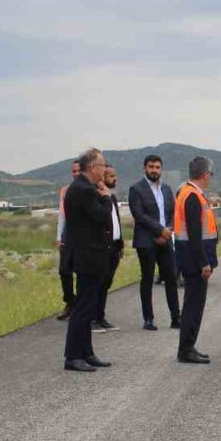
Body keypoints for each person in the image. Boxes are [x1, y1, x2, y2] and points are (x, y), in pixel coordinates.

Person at [63, 149, 114, 372]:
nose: (105, 170)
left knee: (89, 306)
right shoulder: (83, 190)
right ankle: (73, 356)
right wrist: (107, 198)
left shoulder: (85, 188)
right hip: (87, 256)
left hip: (91, 256)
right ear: (93, 168)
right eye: (102, 166)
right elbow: (101, 216)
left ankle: (86, 352)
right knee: (83, 308)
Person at [127, 154, 181, 331]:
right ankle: (148, 319)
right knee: (147, 279)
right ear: (144, 168)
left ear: (161, 169)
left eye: (157, 167)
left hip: (165, 240)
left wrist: (167, 231)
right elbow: (139, 215)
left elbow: (173, 213)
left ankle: (176, 317)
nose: (154, 170)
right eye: (151, 167)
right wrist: (159, 230)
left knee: (171, 278)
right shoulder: (136, 189)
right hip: (146, 241)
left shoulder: (166, 189)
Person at [175, 156, 218, 364]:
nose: (210, 178)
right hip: (194, 261)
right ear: (204, 174)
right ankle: (186, 349)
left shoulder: (190, 193)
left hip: (191, 258)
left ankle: (188, 346)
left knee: (193, 304)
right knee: (193, 305)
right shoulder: (192, 196)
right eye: (210, 174)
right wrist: (204, 262)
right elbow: (194, 234)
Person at [93, 164, 123, 332]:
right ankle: (92, 319)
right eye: (111, 176)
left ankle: (100, 316)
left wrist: (120, 244)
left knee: (106, 284)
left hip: (114, 247)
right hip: (103, 248)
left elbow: (116, 221)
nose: (115, 179)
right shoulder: (97, 197)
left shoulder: (110, 197)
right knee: (98, 283)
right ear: (102, 178)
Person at [55, 160, 78, 321]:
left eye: (78, 171)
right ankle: (70, 302)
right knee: (64, 270)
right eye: (74, 171)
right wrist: (58, 237)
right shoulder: (65, 191)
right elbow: (61, 215)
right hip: (67, 235)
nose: (76, 174)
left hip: (83, 237)